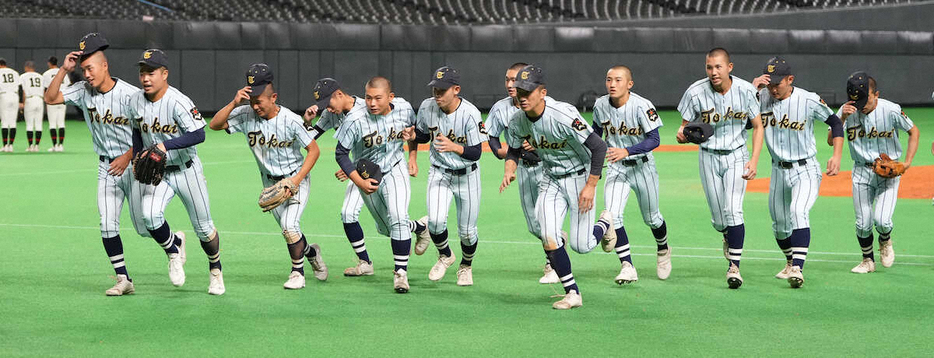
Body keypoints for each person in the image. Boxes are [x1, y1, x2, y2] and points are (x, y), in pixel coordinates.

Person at [43, 33, 152, 296]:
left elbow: (146, 135)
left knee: (144, 226)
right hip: (106, 167)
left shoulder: (130, 95)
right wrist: (63, 70)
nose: (87, 75)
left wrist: (128, 157)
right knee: (107, 223)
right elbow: (50, 98)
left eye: (90, 68)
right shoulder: (82, 91)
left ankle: (175, 243)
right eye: (83, 70)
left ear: (105, 66)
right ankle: (123, 278)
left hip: (133, 165)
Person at [500, 65, 612, 310]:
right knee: (548, 236)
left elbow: (599, 147)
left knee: (581, 246)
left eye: (528, 92)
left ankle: (604, 224)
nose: (522, 96)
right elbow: (514, 148)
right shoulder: (518, 119)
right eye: (519, 91)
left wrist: (591, 185)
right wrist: (510, 167)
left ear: (542, 92)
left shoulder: (563, 114)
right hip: (550, 178)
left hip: (579, 177)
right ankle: (572, 293)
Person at [209, 63, 328, 290]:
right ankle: (312, 252)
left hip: (296, 179)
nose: (255, 105)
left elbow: (314, 151)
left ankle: (297, 274)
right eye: (251, 100)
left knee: (289, 225)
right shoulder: (245, 115)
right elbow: (215, 125)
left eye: (259, 101)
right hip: (270, 183)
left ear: (273, 97)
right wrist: (235, 103)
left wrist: (296, 180)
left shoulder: (291, 119)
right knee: (289, 229)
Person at [124, 49, 228, 295]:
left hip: (186, 170)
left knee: (204, 228)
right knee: (149, 216)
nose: (145, 78)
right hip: (159, 173)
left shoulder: (178, 101)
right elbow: (137, 130)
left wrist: (164, 145)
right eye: (142, 73)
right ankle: (174, 250)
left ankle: (215, 271)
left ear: (164, 74)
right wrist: (138, 155)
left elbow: (199, 134)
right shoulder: (135, 100)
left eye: (151, 73)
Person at [303, 78, 429, 277]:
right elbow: (309, 137)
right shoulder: (330, 115)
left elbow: (409, 131)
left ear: (339, 94)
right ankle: (368, 260)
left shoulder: (367, 107)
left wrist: (412, 157)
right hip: (362, 171)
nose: (327, 108)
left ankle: (410, 246)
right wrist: (307, 122)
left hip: (383, 168)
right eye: (323, 105)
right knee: (351, 215)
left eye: (329, 102)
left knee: (395, 221)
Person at [675, 48, 764, 289]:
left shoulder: (746, 91)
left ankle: (734, 267)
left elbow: (758, 126)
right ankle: (726, 233)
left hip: (737, 155)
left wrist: (754, 160)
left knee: (733, 209)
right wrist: (683, 136)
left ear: (729, 67)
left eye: (718, 67)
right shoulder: (695, 92)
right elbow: (682, 129)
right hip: (708, 157)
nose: (713, 72)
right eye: (709, 67)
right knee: (719, 219)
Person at [754, 56, 844, 288]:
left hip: (805, 169)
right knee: (779, 224)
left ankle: (798, 268)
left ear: (790, 79)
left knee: (798, 211)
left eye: (778, 83)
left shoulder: (808, 100)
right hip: (777, 171)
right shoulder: (762, 97)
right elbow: (746, 123)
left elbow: (835, 122)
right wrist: (751, 90)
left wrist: (836, 155)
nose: (773, 88)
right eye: (770, 83)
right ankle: (789, 261)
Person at [832, 72, 919, 273]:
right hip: (861, 171)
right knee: (863, 223)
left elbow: (913, 131)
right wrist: (842, 117)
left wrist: (906, 163)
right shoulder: (847, 110)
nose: (861, 104)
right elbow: (831, 139)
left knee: (882, 221)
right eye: (856, 99)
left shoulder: (891, 110)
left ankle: (885, 239)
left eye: (865, 99)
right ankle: (867, 260)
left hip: (889, 172)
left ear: (876, 94)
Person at [593, 65, 671, 284]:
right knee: (613, 216)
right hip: (617, 169)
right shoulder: (600, 105)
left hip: (642, 167)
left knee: (652, 218)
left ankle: (663, 248)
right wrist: (594, 166)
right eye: (609, 80)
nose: (612, 85)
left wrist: (627, 150)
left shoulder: (641, 105)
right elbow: (596, 138)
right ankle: (627, 265)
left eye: (618, 80)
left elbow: (654, 140)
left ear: (629, 84)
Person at [411, 66, 487, 286]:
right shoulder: (427, 107)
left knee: (467, 232)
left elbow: (476, 152)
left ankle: (466, 266)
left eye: (442, 90)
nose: (437, 94)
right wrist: (413, 135)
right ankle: (445, 255)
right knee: (434, 222)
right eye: (435, 88)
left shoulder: (470, 113)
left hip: (467, 176)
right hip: (439, 172)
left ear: (456, 89)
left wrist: (455, 147)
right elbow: (425, 135)